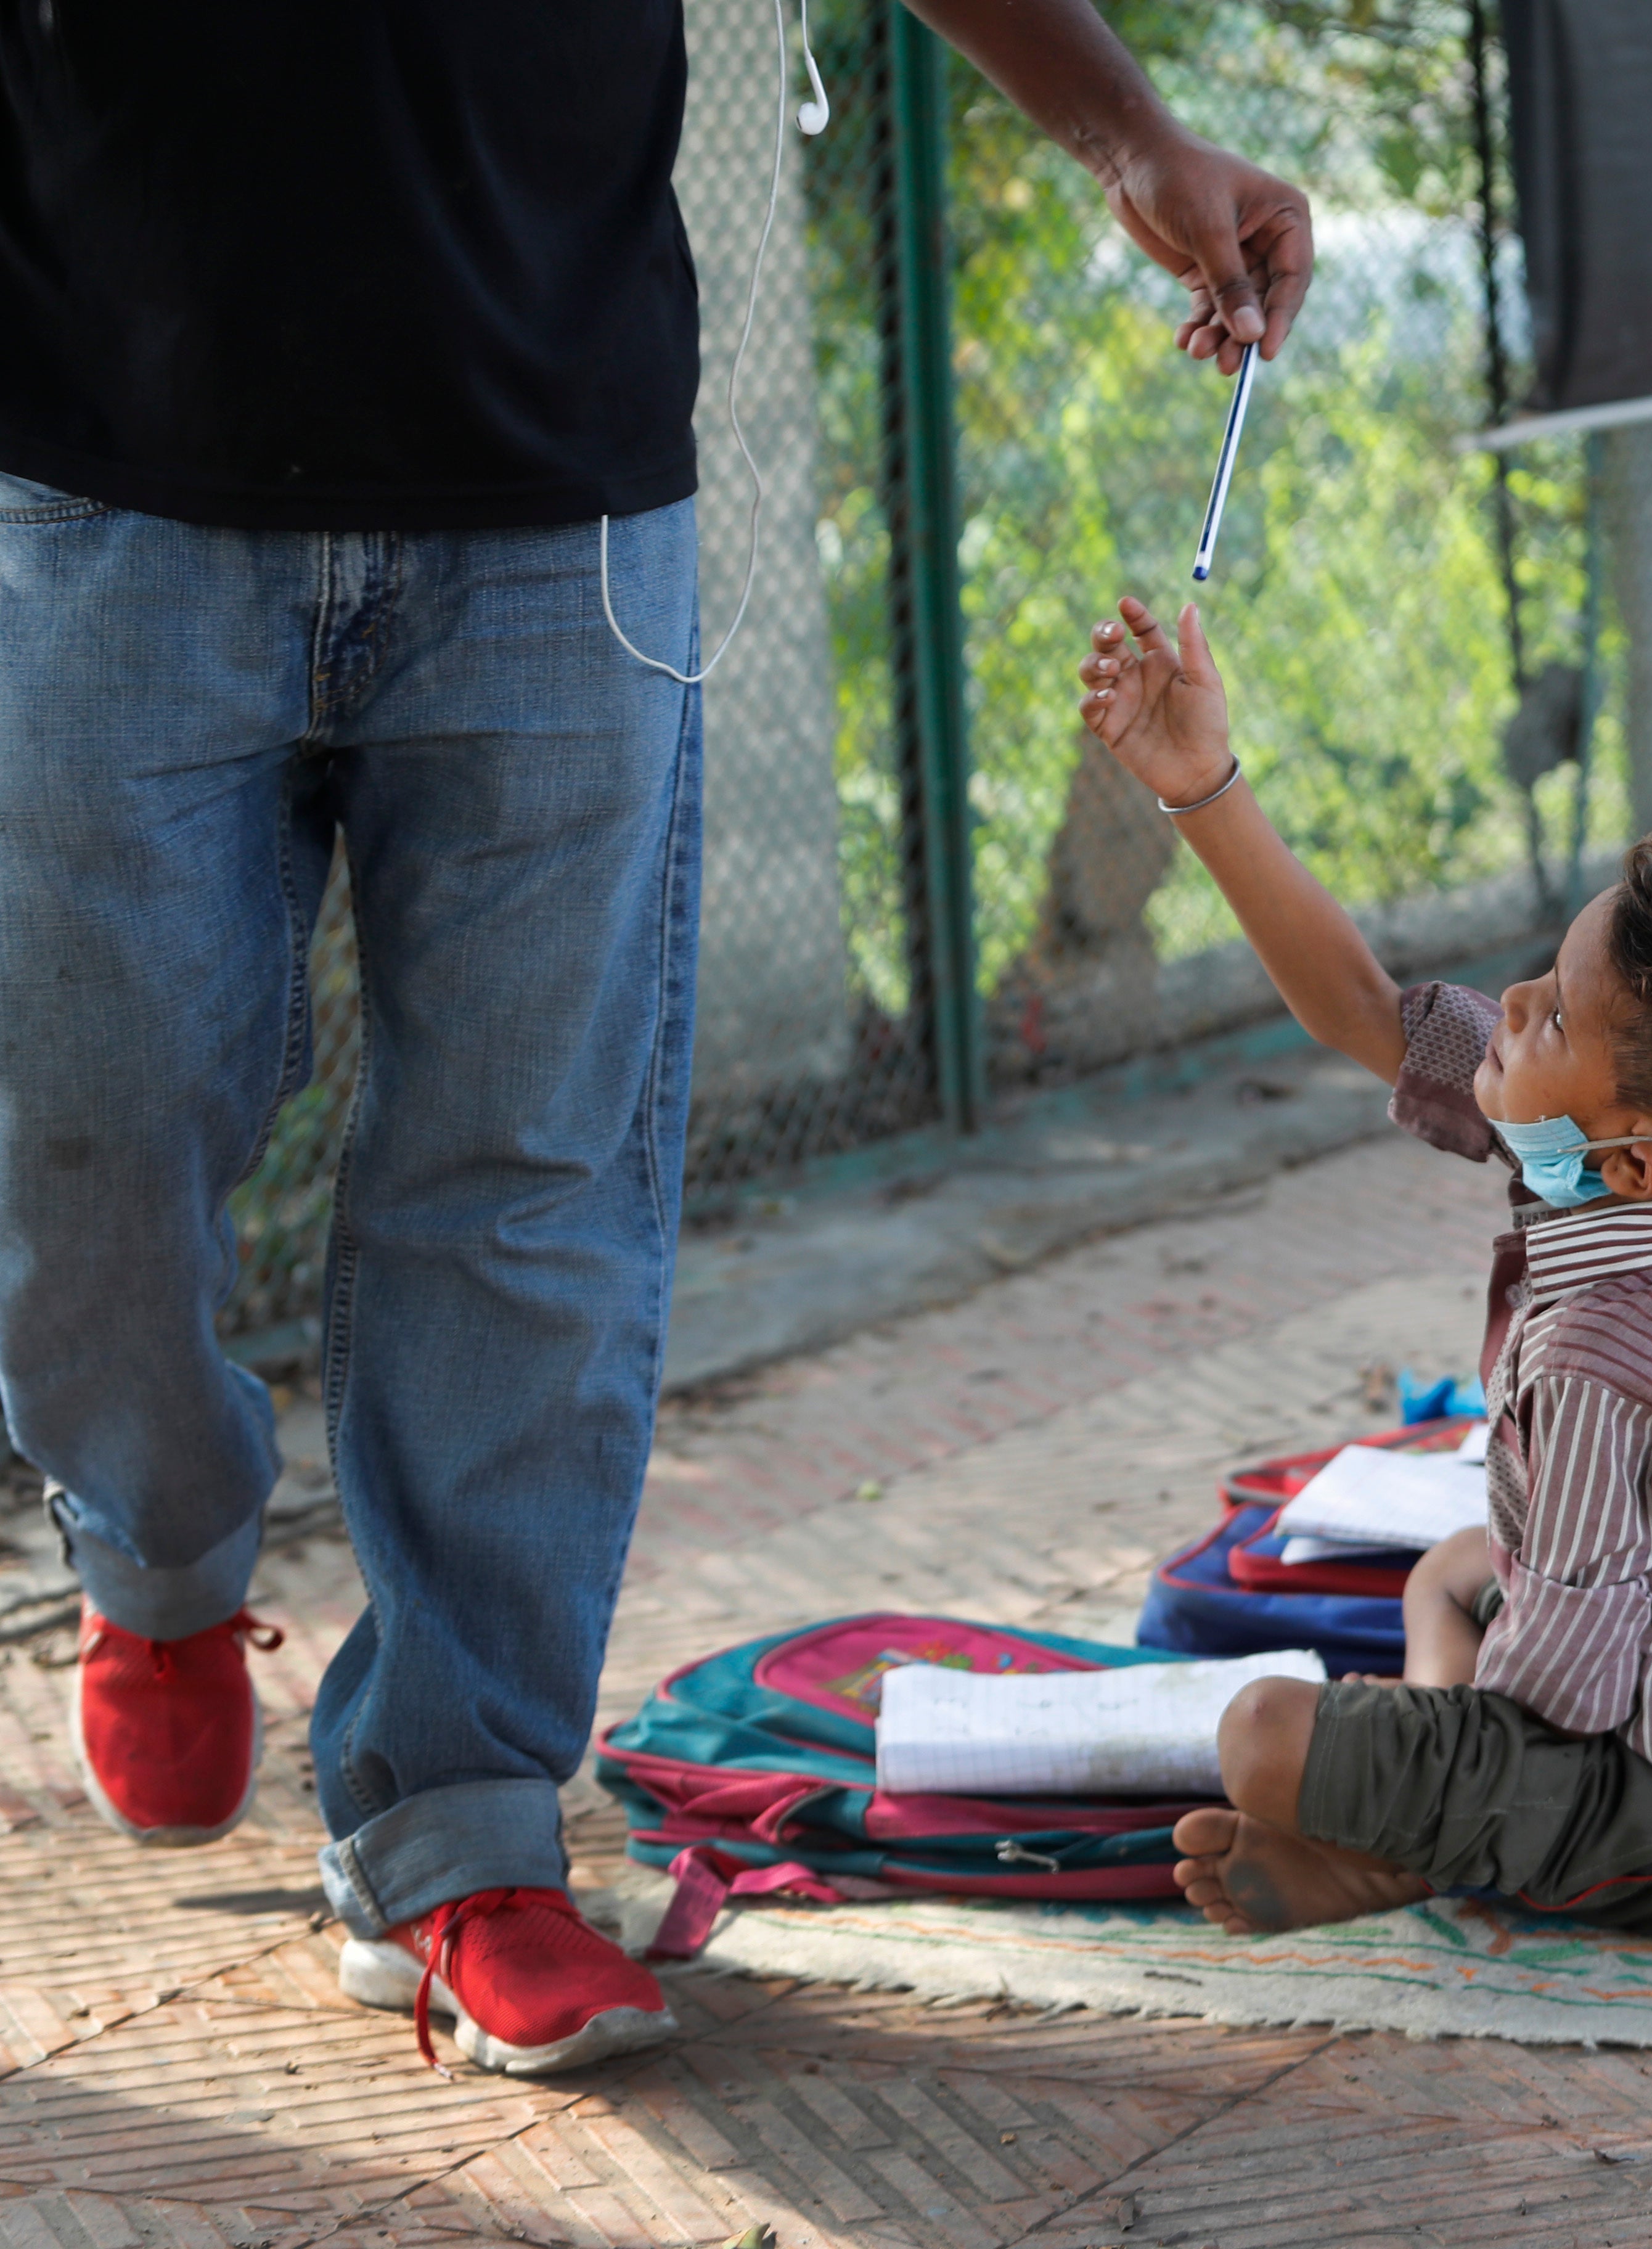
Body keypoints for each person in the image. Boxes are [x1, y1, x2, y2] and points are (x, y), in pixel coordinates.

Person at [0, 0, 1310, 2076]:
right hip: (91, 454)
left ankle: (461, 1824)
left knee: (526, 1169)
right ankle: (151, 1537)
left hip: (557, 472)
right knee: (81, 1117)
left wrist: (1120, 129)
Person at [1076, 594, 1652, 1940]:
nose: (1511, 1008)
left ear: (1636, 1153)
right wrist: (1200, 785)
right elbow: (1363, 1007)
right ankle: (1405, 1843)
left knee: (1265, 1738)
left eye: (1553, 1014)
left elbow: (1562, 1693)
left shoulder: (1611, 1353)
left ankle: (1411, 1850)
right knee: (1452, 1563)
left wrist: (1398, 1766)